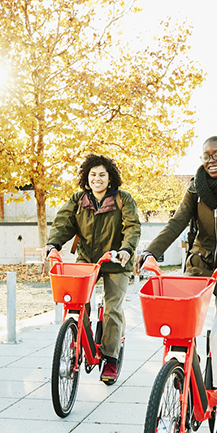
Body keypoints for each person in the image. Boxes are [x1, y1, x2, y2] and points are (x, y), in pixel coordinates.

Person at [138, 136, 217, 433]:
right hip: (199, 267)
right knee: (181, 332)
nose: (211, 160)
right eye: (206, 155)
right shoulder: (195, 187)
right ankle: (183, 385)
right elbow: (177, 222)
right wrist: (151, 251)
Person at [44, 154, 142, 385]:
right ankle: (80, 340)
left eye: (102, 175)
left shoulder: (122, 199)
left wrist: (126, 249)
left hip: (116, 261)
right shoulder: (79, 199)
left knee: (112, 308)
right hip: (87, 259)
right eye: (93, 174)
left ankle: (110, 357)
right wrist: (52, 244)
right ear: (87, 177)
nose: (97, 178)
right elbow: (63, 223)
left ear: (110, 179)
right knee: (77, 303)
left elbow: (132, 227)